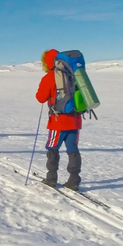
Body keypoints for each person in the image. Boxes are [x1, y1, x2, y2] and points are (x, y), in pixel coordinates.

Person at [36, 49, 83, 190]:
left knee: (52, 148)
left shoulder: (50, 77)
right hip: (75, 120)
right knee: (73, 149)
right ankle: (74, 180)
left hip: (58, 121)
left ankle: (51, 178)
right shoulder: (74, 73)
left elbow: (40, 97)